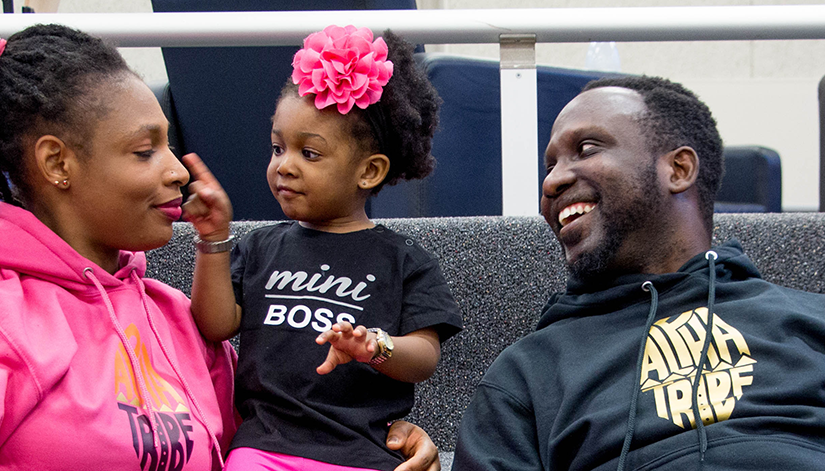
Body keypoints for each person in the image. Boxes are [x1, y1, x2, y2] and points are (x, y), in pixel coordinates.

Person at [0, 24, 442, 471]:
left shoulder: (175, 317)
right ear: (57, 162)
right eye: (143, 151)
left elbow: (277, 417)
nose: (178, 172)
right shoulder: (9, 319)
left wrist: (380, 437)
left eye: (168, 146)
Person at [451, 75, 825, 470]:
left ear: (678, 169)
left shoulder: (809, 320)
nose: (552, 180)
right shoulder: (527, 373)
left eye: (586, 148)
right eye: (550, 165)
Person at [182, 25, 463, 471]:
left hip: (363, 452)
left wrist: (375, 346)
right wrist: (213, 239)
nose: (283, 166)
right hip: (262, 447)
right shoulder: (260, 247)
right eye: (277, 147)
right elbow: (215, 325)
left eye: (309, 154)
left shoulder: (405, 260)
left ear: (368, 171)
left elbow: (425, 357)